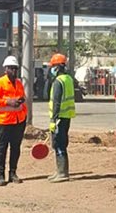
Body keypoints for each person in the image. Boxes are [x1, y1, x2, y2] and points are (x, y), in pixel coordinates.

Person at [0, 55, 27, 186]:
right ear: (6, 69)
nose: (14, 71)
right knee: (2, 148)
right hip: (4, 122)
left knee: (16, 148)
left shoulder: (19, 83)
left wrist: (20, 103)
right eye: (11, 68)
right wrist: (8, 102)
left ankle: (12, 173)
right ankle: (1, 175)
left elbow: (22, 97)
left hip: (18, 121)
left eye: (15, 68)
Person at [47, 53, 75, 183]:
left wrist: (53, 120)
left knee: (58, 144)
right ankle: (60, 171)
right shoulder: (68, 79)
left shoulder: (58, 81)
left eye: (53, 66)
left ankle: (62, 173)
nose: (51, 69)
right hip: (66, 116)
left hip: (59, 117)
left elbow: (56, 102)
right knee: (62, 143)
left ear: (57, 67)